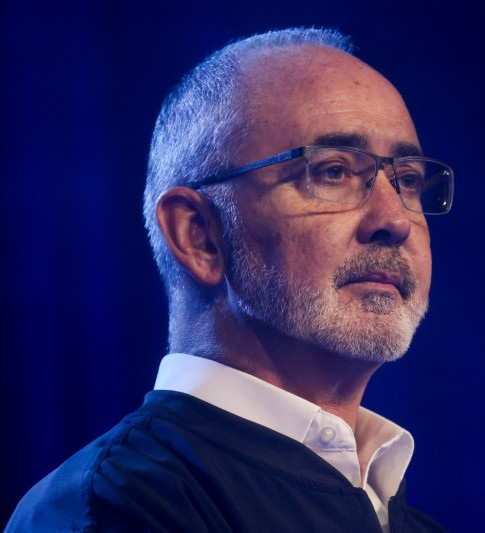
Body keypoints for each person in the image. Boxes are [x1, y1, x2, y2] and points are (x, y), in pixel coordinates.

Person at [7, 28, 453, 532]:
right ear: (199, 236)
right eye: (333, 171)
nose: (394, 219)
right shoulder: (121, 505)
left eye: (409, 180)